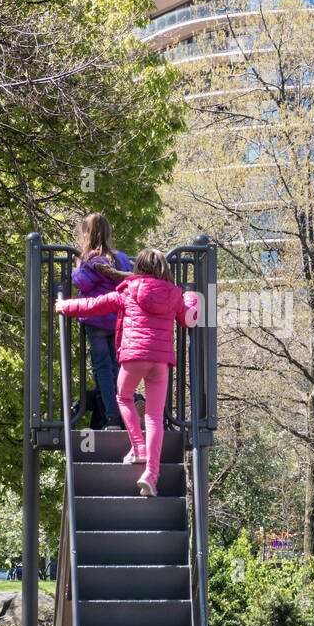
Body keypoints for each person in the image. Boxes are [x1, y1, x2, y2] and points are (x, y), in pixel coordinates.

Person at [56, 248, 200, 497]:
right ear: (163, 268)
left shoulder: (128, 290)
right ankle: (151, 475)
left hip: (133, 357)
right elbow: (189, 319)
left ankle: (138, 447)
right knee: (154, 417)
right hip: (160, 362)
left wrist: (65, 305)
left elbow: (94, 305)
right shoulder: (174, 295)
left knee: (123, 397)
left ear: (138, 267)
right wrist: (192, 297)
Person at [70, 213, 143, 431]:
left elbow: (80, 282)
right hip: (119, 319)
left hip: (96, 320)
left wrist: (76, 265)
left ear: (86, 235)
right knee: (117, 368)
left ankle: (112, 417)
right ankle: (128, 410)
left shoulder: (89, 260)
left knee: (102, 368)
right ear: (108, 233)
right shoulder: (120, 258)